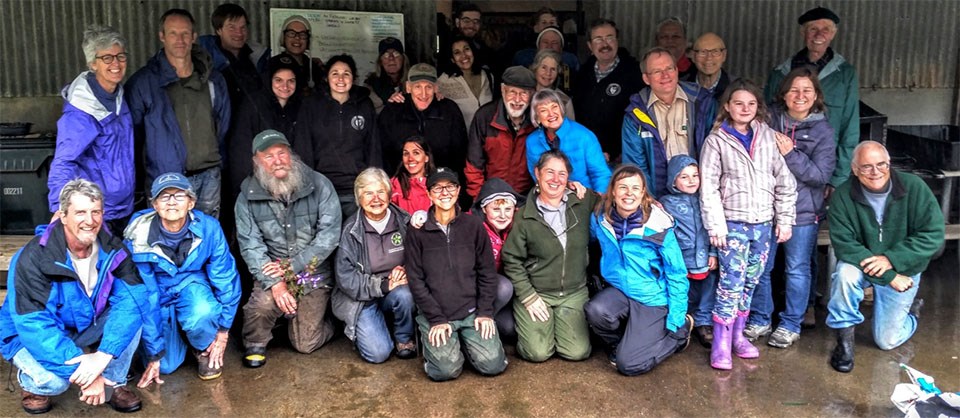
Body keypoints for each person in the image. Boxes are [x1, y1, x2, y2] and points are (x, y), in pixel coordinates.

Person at [0, 179, 146, 414]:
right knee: (56, 382)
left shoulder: (113, 248)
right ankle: (31, 382)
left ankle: (112, 383)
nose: (89, 221)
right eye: (80, 212)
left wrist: (103, 356)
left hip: (82, 324)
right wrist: (90, 378)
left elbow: (133, 299)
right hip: (27, 334)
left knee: (132, 314)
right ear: (63, 215)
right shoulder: (33, 258)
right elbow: (34, 326)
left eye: (95, 212)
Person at [699, 79, 797, 370]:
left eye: (751, 104)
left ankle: (738, 337)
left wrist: (785, 219)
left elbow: (785, 182)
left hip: (763, 225)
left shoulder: (768, 137)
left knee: (751, 281)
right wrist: (716, 225)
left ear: (759, 108)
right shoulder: (716, 140)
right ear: (727, 106)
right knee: (730, 283)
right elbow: (709, 188)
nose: (745, 109)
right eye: (738, 103)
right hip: (733, 224)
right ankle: (720, 343)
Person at [826, 141, 944, 373]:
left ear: (889, 164)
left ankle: (911, 313)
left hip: (904, 267)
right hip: (866, 263)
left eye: (881, 164)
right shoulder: (842, 196)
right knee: (844, 275)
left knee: (886, 341)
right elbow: (845, 245)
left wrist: (891, 260)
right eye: (867, 166)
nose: (876, 171)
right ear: (855, 169)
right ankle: (844, 345)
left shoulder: (915, 187)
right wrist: (888, 274)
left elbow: (933, 235)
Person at [745, 68, 837, 348]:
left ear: (816, 96)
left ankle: (790, 324)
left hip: (802, 211)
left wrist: (790, 153)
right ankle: (761, 318)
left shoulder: (823, 131)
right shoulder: (767, 121)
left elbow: (820, 176)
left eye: (807, 91)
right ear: (783, 94)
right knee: (762, 266)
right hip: (764, 207)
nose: (800, 96)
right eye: (794, 90)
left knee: (796, 269)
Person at [236, 130, 341, 368]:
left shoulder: (319, 184)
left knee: (305, 344)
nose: (278, 160)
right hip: (271, 270)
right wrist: (276, 283)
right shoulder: (247, 195)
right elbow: (250, 245)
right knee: (263, 304)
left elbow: (329, 236)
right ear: (257, 161)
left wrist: (291, 267)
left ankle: (335, 322)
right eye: (269, 156)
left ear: (291, 155)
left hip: (312, 271)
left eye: (282, 153)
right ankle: (256, 342)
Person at [125, 173, 240, 382]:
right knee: (167, 366)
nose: (171, 202)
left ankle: (201, 345)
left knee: (203, 311)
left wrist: (223, 330)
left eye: (179, 195)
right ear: (154, 205)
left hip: (191, 285)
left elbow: (226, 279)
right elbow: (146, 294)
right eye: (163, 197)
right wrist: (155, 352)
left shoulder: (208, 228)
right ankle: (175, 336)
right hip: (157, 293)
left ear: (191, 203)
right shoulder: (138, 235)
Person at [585, 164, 692, 375]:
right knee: (595, 311)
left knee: (630, 365)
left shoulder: (658, 226)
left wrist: (676, 317)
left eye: (635, 188)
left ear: (643, 192)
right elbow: (588, 240)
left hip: (651, 298)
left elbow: (676, 273)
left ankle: (680, 334)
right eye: (623, 187)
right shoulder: (600, 219)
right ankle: (620, 345)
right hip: (620, 291)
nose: (629, 193)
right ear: (613, 191)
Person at [405, 167, 508, 381]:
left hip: (471, 311)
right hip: (437, 313)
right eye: (438, 188)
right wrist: (435, 318)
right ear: (429, 193)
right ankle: (438, 352)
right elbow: (415, 279)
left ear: (459, 190)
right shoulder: (417, 230)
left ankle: (467, 347)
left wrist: (485, 312)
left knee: (493, 365)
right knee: (445, 371)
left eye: (450, 186)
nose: (445, 192)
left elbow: (487, 272)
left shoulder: (473, 225)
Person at [126, 9, 231, 218]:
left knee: (205, 238)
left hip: (208, 176)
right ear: (162, 36)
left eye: (185, 33)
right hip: (165, 179)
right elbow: (133, 136)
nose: (180, 40)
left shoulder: (213, 80)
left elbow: (222, 124)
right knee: (167, 241)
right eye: (173, 33)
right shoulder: (144, 83)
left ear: (194, 36)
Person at [502, 150, 597, 363]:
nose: (555, 179)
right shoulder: (525, 215)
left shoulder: (582, 201)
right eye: (549, 172)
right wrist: (527, 296)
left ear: (569, 178)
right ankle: (529, 327)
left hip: (574, 292)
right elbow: (511, 259)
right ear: (537, 173)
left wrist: (650, 203)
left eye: (562, 174)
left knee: (577, 352)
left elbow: (614, 202)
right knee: (538, 353)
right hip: (538, 293)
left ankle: (556, 326)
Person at [48, 25, 135, 237]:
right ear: (92, 64)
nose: (115, 63)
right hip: (96, 213)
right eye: (107, 58)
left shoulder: (117, 96)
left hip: (124, 207)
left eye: (120, 56)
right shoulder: (81, 111)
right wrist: (60, 208)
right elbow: (64, 161)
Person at [765, 6, 859, 194]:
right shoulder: (781, 72)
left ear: (833, 34)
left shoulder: (845, 74)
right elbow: (766, 122)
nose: (819, 34)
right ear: (803, 32)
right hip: (778, 171)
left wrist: (838, 177)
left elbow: (850, 127)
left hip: (822, 172)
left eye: (826, 29)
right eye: (813, 29)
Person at [333, 168, 417, 363]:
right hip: (363, 298)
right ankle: (378, 326)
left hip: (397, 292)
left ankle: (404, 338)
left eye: (380, 192)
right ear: (358, 198)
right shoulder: (350, 230)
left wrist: (406, 269)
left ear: (389, 195)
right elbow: (346, 278)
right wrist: (382, 285)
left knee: (405, 295)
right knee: (378, 354)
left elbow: (421, 257)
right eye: (368, 193)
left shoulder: (405, 222)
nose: (376, 198)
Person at [295, 54, 379, 219]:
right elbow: (303, 146)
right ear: (327, 77)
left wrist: (372, 184)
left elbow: (373, 146)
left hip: (356, 188)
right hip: (322, 188)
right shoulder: (311, 105)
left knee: (356, 239)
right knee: (326, 239)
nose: (341, 78)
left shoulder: (364, 104)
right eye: (335, 73)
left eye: (346, 73)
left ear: (353, 78)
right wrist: (308, 186)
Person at [378, 63, 468, 205]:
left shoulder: (449, 110)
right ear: (408, 87)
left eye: (429, 87)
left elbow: (460, 155)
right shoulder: (392, 112)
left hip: (441, 190)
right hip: (402, 192)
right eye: (418, 87)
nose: (424, 94)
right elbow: (382, 155)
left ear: (436, 88)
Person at [226, 58, 303, 213]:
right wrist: (246, 187)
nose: (285, 86)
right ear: (269, 80)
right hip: (259, 182)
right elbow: (240, 150)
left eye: (291, 81)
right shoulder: (252, 104)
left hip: (292, 182)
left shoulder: (302, 105)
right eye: (278, 80)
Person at [621, 47, 700, 197]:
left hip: (698, 196)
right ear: (646, 78)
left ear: (677, 70)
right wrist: (651, 201)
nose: (665, 75)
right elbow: (635, 166)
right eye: (657, 71)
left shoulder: (701, 103)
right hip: (657, 198)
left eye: (669, 68)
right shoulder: (635, 114)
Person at [660, 155, 719, 348]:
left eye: (695, 175)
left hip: (705, 258)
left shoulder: (706, 200)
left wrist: (714, 253)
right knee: (683, 290)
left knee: (708, 288)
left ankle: (703, 322)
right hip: (682, 258)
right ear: (673, 180)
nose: (692, 180)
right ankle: (683, 321)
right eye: (684, 177)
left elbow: (714, 227)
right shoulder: (666, 204)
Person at [573, 18, 644, 163]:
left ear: (617, 41)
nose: (605, 44)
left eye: (609, 38)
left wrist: (624, 151)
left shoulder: (634, 73)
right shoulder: (582, 74)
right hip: (587, 155)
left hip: (621, 157)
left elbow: (640, 118)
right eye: (598, 39)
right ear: (589, 46)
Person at [465, 66, 537, 199]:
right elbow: (474, 166)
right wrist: (479, 200)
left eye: (523, 93)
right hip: (491, 196)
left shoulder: (537, 120)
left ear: (532, 94)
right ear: (503, 90)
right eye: (512, 92)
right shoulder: (485, 117)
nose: (517, 99)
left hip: (527, 197)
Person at [471, 178, 525, 340]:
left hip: (497, 298)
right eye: (496, 209)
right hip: (475, 294)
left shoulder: (516, 227)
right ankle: (473, 331)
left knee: (511, 328)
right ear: (484, 209)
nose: (503, 215)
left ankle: (489, 325)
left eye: (507, 209)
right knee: (503, 286)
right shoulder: (472, 228)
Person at [526, 89, 611, 193]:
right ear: (537, 117)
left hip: (583, 199)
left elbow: (601, 175)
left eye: (554, 107)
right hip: (550, 198)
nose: (551, 114)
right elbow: (537, 176)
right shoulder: (532, 141)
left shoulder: (584, 136)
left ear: (561, 109)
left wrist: (597, 204)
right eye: (544, 110)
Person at [197, 3, 269, 106]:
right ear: (218, 30)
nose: (239, 33)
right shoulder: (206, 58)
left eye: (243, 27)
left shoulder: (257, 56)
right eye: (232, 28)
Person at [437, 35, 495, 128]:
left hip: (488, 139)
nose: (464, 55)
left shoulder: (488, 76)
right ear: (452, 59)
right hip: (461, 140)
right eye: (457, 52)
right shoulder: (444, 81)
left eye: (466, 49)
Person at [686, 32, 732, 150]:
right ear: (693, 55)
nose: (709, 58)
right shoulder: (682, 87)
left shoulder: (736, 89)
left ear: (724, 55)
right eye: (703, 52)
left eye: (715, 52)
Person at [266, 14, 324, 95]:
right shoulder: (273, 65)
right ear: (283, 37)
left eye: (302, 34)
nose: (297, 38)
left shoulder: (314, 67)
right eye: (291, 33)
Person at [512, 26, 580, 94]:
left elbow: (569, 92)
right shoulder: (525, 72)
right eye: (545, 42)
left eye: (554, 43)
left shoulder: (567, 72)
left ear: (561, 48)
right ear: (538, 47)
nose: (549, 46)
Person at [390, 136, 436, 215]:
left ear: (426, 158)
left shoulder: (437, 183)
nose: (410, 158)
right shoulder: (394, 184)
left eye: (416, 153)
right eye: (406, 154)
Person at [364, 37, 410, 113]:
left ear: (403, 59)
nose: (391, 58)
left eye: (396, 54)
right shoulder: (371, 84)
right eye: (386, 55)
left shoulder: (413, 81)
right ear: (380, 61)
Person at [529, 50, 576, 120]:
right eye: (544, 67)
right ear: (535, 68)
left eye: (553, 69)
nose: (548, 73)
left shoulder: (564, 100)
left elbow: (570, 128)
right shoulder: (524, 94)